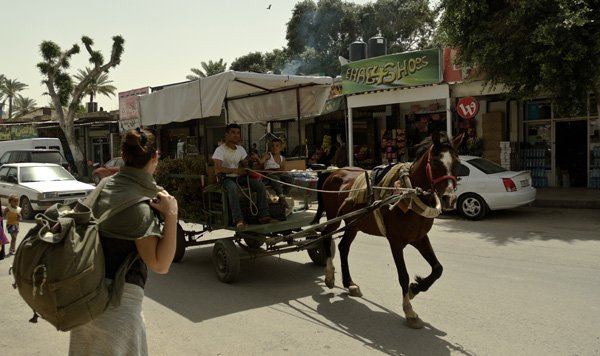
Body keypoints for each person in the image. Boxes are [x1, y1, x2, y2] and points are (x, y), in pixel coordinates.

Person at [68, 128, 178, 356]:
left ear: (122, 154)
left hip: (84, 301)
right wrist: (171, 215)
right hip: (116, 310)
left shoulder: (104, 186)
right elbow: (160, 264)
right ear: (155, 156)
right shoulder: (138, 206)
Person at [212, 123, 273, 229]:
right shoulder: (220, 150)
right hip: (225, 178)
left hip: (238, 177)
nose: (236, 135)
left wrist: (251, 162)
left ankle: (263, 215)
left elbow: (245, 164)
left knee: (259, 185)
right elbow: (218, 169)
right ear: (226, 135)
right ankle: (238, 220)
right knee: (232, 188)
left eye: (238, 133)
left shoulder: (240, 149)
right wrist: (236, 170)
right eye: (233, 133)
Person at [253, 138, 294, 204]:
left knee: (291, 179)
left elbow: (281, 169)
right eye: (272, 146)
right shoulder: (268, 155)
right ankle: (281, 197)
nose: (274, 148)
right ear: (270, 147)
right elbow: (261, 162)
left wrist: (276, 170)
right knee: (275, 178)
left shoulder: (283, 158)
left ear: (281, 148)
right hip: (269, 176)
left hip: (279, 174)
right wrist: (257, 158)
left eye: (277, 146)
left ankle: (282, 196)